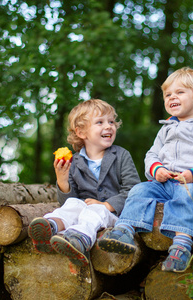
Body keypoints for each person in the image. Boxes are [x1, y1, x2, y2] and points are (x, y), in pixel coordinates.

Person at [98, 67, 193, 272]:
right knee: (139, 190)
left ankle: (181, 246)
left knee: (185, 197)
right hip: (164, 182)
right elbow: (151, 155)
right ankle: (124, 230)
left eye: (179, 92)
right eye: (168, 94)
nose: (172, 97)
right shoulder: (166, 129)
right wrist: (156, 169)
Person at [28, 99, 141, 267]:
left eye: (111, 122)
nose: (109, 126)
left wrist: (106, 205)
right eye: (100, 122)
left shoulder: (121, 155)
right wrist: (62, 179)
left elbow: (134, 190)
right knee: (73, 203)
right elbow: (68, 202)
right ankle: (50, 226)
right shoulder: (74, 162)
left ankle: (81, 240)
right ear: (81, 132)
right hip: (85, 210)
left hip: (114, 215)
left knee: (95, 210)